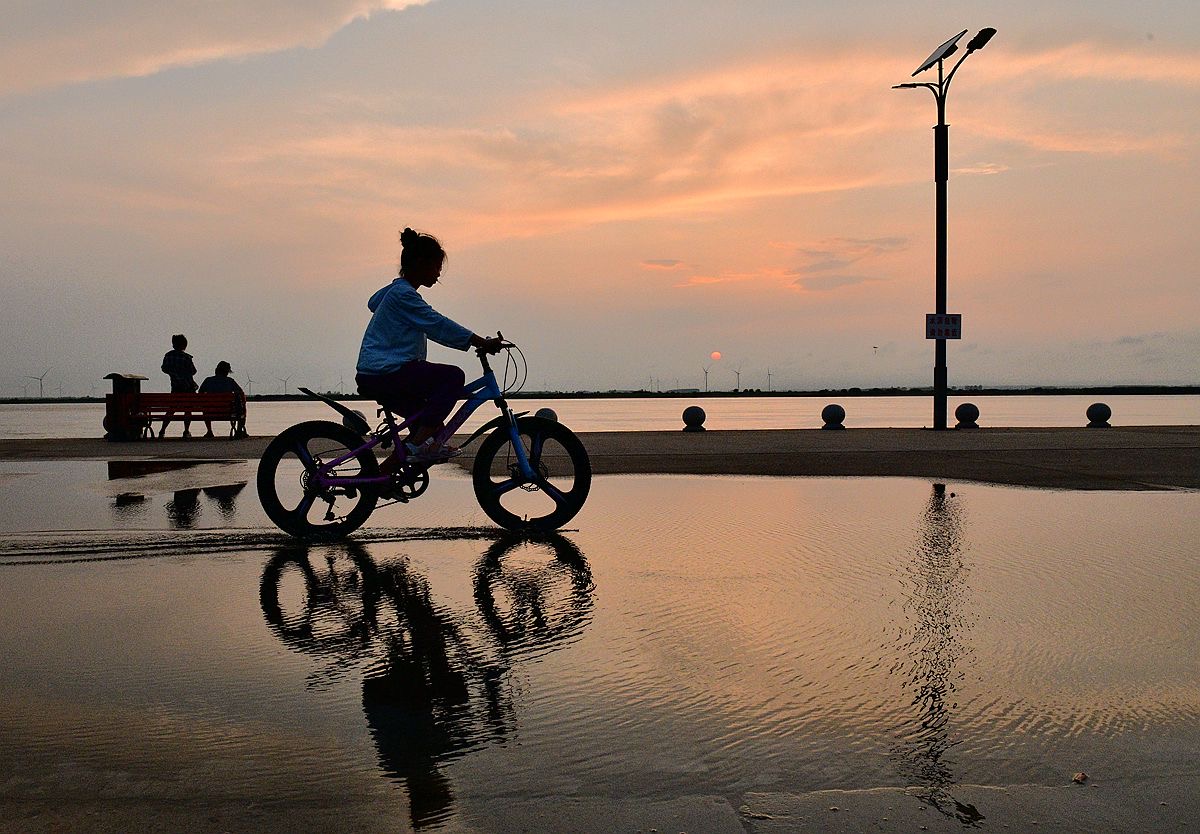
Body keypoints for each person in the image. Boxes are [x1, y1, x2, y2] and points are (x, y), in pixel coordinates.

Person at [356, 227, 502, 466]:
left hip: (379, 373)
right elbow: (437, 324)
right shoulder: (403, 295)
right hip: (385, 372)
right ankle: (415, 446)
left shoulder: (396, 291)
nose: (438, 274)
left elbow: (376, 302)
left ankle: (382, 478)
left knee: (430, 427)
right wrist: (480, 341)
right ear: (420, 264)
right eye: (436, 267)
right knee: (452, 377)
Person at [198, 360, 248, 438]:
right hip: (227, 411)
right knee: (242, 409)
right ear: (227, 372)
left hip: (209, 412)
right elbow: (240, 393)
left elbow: (200, 394)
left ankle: (209, 431)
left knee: (205, 407)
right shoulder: (230, 381)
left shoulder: (208, 380)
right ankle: (239, 430)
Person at [160, 333, 197, 438]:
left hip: (175, 387)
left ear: (173, 344)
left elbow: (164, 368)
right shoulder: (186, 358)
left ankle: (162, 430)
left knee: (171, 409)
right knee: (188, 410)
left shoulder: (168, 356)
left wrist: (173, 372)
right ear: (184, 345)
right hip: (188, 388)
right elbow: (193, 371)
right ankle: (186, 431)